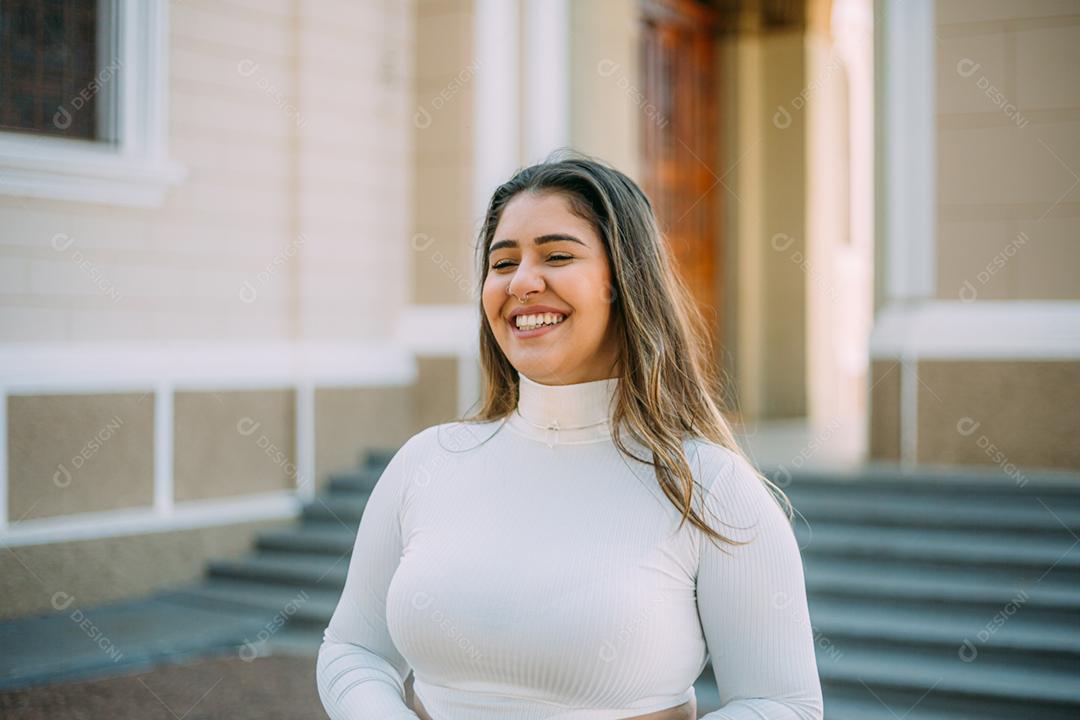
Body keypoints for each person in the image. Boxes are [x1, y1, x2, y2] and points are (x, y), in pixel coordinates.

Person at [315, 150, 824, 719]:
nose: (523, 282)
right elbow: (353, 650)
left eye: (557, 255)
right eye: (502, 263)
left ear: (625, 280)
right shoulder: (425, 463)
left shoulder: (709, 485)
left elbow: (782, 705)